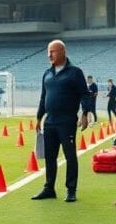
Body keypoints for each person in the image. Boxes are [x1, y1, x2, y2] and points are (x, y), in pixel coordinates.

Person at [34, 39, 88, 202]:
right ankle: (49, 188)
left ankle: (71, 190)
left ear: (63, 52)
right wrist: (39, 117)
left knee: (70, 156)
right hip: (49, 122)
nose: (49, 55)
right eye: (48, 52)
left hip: (67, 121)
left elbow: (84, 94)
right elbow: (43, 97)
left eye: (53, 51)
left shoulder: (75, 72)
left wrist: (85, 114)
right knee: (50, 156)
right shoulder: (47, 73)